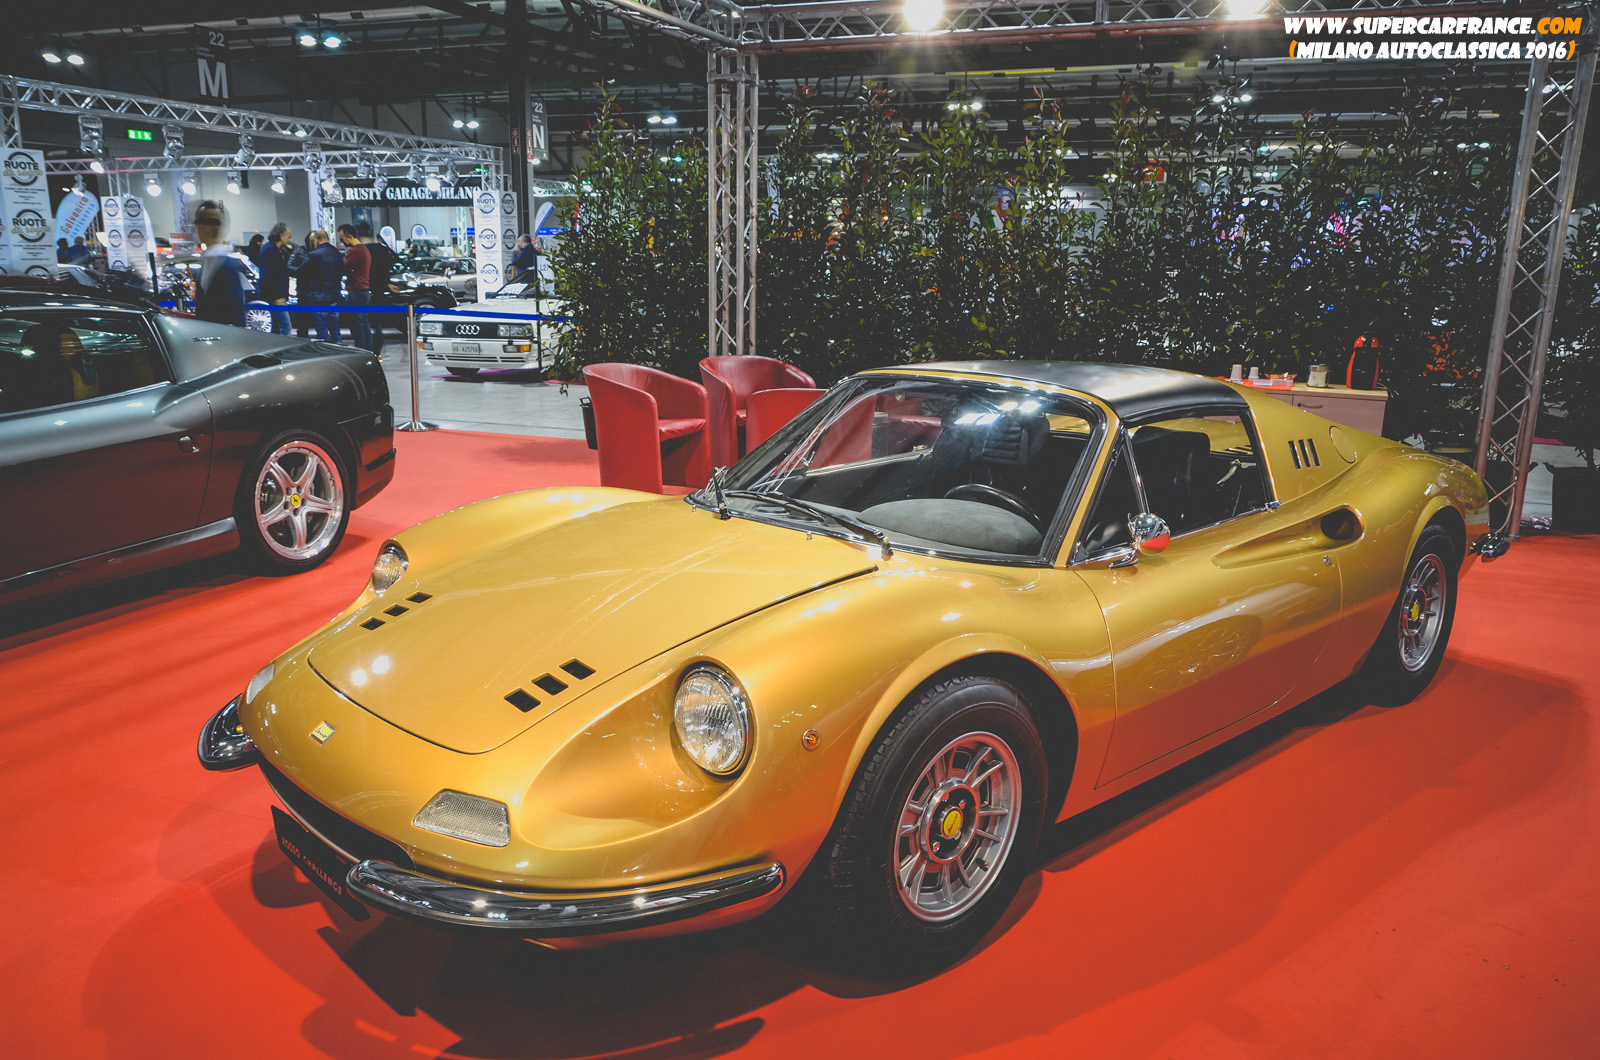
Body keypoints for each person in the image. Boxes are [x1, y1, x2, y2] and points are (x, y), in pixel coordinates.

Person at [193, 200, 252, 328]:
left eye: (213, 222)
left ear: (222, 226)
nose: (207, 228)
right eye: (201, 222)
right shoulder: (203, 262)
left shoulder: (227, 266)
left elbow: (237, 313)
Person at [296, 229, 344, 344]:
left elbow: (300, 271)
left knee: (322, 332)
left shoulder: (314, 255)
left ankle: (325, 352)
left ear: (316, 240)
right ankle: (339, 350)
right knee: (335, 329)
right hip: (334, 297)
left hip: (318, 298)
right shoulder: (337, 254)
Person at [362, 223, 397, 358]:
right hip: (378, 290)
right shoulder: (381, 249)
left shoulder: (363, 249)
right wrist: (386, 283)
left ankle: (368, 351)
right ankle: (377, 352)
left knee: (366, 323)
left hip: (366, 289)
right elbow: (390, 264)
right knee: (376, 324)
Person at [337, 223, 372, 352]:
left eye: (342, 239)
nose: (342, 242)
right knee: (364, 324)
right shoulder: (364, 249)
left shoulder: (355, 251)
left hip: (357, 292)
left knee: (357, 326)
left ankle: (360, 351)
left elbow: (343, 267)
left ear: (350, 236)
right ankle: (368, 351)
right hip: (364, 292)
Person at [259, 222, 293, 336]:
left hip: (276, 295)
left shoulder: (273, 249)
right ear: (281, 236)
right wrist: (278, 297)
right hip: (276, 297)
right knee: (285, 326)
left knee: (277, 326)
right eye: (288, 236)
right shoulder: (270, 250)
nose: (290, 239)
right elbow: (270, 275)